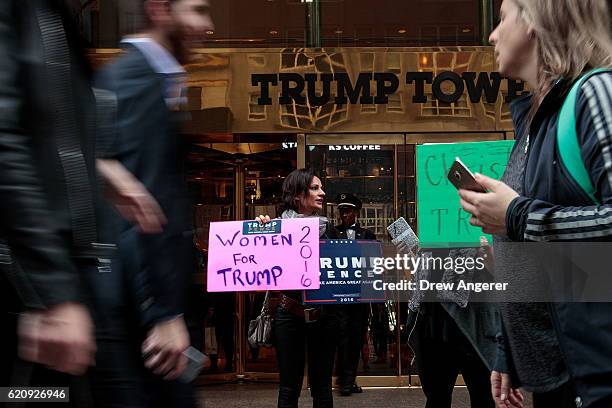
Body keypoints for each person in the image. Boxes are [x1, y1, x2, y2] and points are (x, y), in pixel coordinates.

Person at [0, 0, 165, 403]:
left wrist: (98, 171)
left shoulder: (53, 17)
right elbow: (5, 145)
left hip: (56, 282)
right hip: (30, 291)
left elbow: (42, 137)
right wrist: (52, 294)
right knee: (31, 395)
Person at [459, 1, 612, 407]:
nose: (492, 35)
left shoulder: (596, 93)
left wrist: (516, 215)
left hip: (595, 370)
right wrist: (508, 349)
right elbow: (531, 257)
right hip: (559, 374)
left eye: (502, 19)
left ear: (535, 21)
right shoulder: (535, 122)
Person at [95, 0, 214, 406]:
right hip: (138, 319)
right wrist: (161, 312)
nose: (207, 25)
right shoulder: (135, 80)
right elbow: (139, 207)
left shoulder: (151, 81)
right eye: (197, 10)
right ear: (159, 9)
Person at [256, 168, 338, 408]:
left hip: (324, 316)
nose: (322, 192)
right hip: (288, 314)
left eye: (321, 187)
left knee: (322, 387)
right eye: (315, 188)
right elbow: (262, 263)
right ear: (297, 195)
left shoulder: (330, 229)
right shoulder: (276, 227)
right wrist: (261, 231)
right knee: (289, 387)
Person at [333, 193, 375, 396]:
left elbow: (374, 265)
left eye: (348, 210)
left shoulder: (367, 235)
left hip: (360, 297)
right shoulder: (332, 233)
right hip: (339, 297)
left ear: (356, 212)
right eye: (341, 211)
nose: (344, 214)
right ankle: (345, 381)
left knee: (357, 337)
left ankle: (348, 380)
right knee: (342, 338)